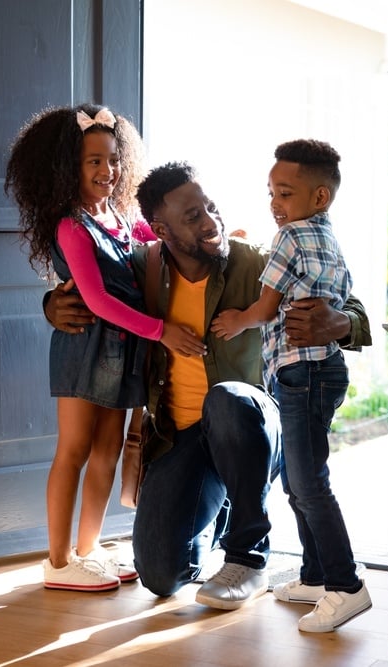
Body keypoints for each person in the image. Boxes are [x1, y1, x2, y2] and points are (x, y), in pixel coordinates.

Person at [43, 161, 371, 615]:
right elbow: (94, 288)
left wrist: (343, 322)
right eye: (193, 216)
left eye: (211, 208)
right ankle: (217, 518)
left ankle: (248, 557)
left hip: (250, 424)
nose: (210, 222)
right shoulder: (144, 269)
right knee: (160, 575)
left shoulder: (252, 260)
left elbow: (344, 294)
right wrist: (51, 305)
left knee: (228, 398)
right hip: (181, 437)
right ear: (161, 229)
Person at [5, 104, 205, 592]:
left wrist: (214, 236)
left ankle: (89, 549)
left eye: (113, 159)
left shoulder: (120, 218)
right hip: (84, 349)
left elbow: (161, 242)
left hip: (124, 354)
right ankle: (58, 562)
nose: (107, 170)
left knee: (108, 453)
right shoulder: (71, 227)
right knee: (73, 450)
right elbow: (95, 299)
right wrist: (160, 331)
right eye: (93, 160)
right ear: (67, 167)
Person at [209, 139, 369, 632]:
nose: (274, 204)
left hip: (300, 373)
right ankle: (316, 576)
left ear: (319, 197)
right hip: (324, 372)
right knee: (302, 480)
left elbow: (264, 308)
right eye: (271, 193)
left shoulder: (287, 240)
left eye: (285, 193)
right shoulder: (328, 237)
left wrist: (237, 321)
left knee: (307, 482)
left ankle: (347, 586)